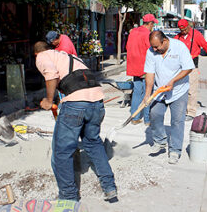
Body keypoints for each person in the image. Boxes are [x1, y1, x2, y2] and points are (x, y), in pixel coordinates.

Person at [34, 41, 117, 202]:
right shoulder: (68, 56)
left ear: (37, 53)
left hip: (76, 105)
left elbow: (51, 75)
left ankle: (68, 198)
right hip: (97, 103)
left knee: (62, 152)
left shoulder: (42, 56)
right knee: (93, 143)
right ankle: (109, 187)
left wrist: (49, 100)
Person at [143, 31, 195, 164]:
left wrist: (173, 81)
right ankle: (160, 141)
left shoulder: (179, 47)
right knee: (154, 114)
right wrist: (147, 95)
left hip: (178, 90)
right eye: (153, 47)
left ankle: (175, 150)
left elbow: (188, 68)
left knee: (177, 121)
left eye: (157, 47)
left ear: (165, 41)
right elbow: (149, 74)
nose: (154, 49)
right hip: (160, 90)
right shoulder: (151, 52)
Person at [174, 19, 207, 121]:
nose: (184, 32)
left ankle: (191, 112)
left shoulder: (196, 35)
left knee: (192, 90)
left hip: (192, 66)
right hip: (181, 67)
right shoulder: (177, 37)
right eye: (181, 30)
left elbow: (205, 45)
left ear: (188, 26)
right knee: (181, 90)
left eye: (185, 29)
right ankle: (182, 110)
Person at [126, 14, 158, 125]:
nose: (153, 26)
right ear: (149, 24)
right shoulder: (148, 34)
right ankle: (147, 119)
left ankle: (134, 117)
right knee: (147, 93)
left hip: (134, 67)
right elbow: (152, 50)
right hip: (145, 68)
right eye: (153, 24)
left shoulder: (133, 32)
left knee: (137, 92)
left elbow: (127, 47)